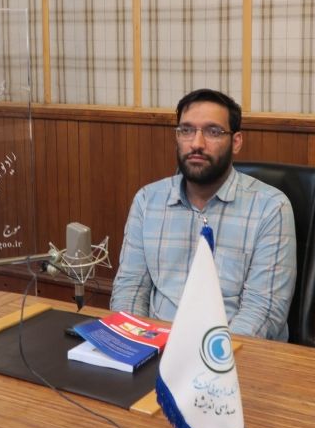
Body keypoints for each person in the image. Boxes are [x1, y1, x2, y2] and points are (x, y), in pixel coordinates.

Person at [110, 89, 297, 340]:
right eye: (186, 130)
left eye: (213, 132)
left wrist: (208, 356)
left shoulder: (271, 208)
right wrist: (136, 341)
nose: (196, 143)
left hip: (230, 352)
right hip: (154, 345)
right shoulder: (147, 200)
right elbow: (130, 289)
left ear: (236, 142)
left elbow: (263, 312)